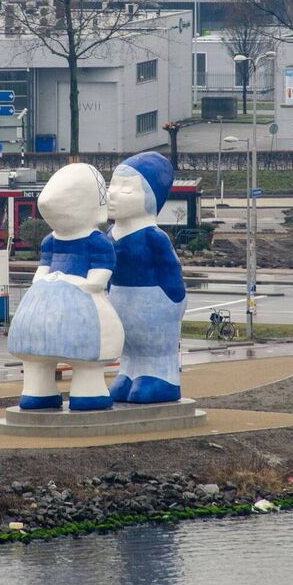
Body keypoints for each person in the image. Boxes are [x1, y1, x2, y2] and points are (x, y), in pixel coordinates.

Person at [6, 163, 124, 410]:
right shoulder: (51, 240)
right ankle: (38, 391)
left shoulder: (96, 241)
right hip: (47, 298)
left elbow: (102, 271)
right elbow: (44, 265)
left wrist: (91, 283)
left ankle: (88, 391)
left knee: (85, 350)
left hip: (82, 299)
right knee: (36, 353)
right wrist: (42, 279)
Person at [106, 152, 186, 403]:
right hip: (121, 299)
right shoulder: (110, 233)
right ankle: (128, 373)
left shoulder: (154, 236)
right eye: (112, 186)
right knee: (129, 346)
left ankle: (162, 378)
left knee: (154, 347)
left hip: (154, 299)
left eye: (126, 189)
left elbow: (171, 272)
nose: (113, 194)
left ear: (150, 199)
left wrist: (173, 301)